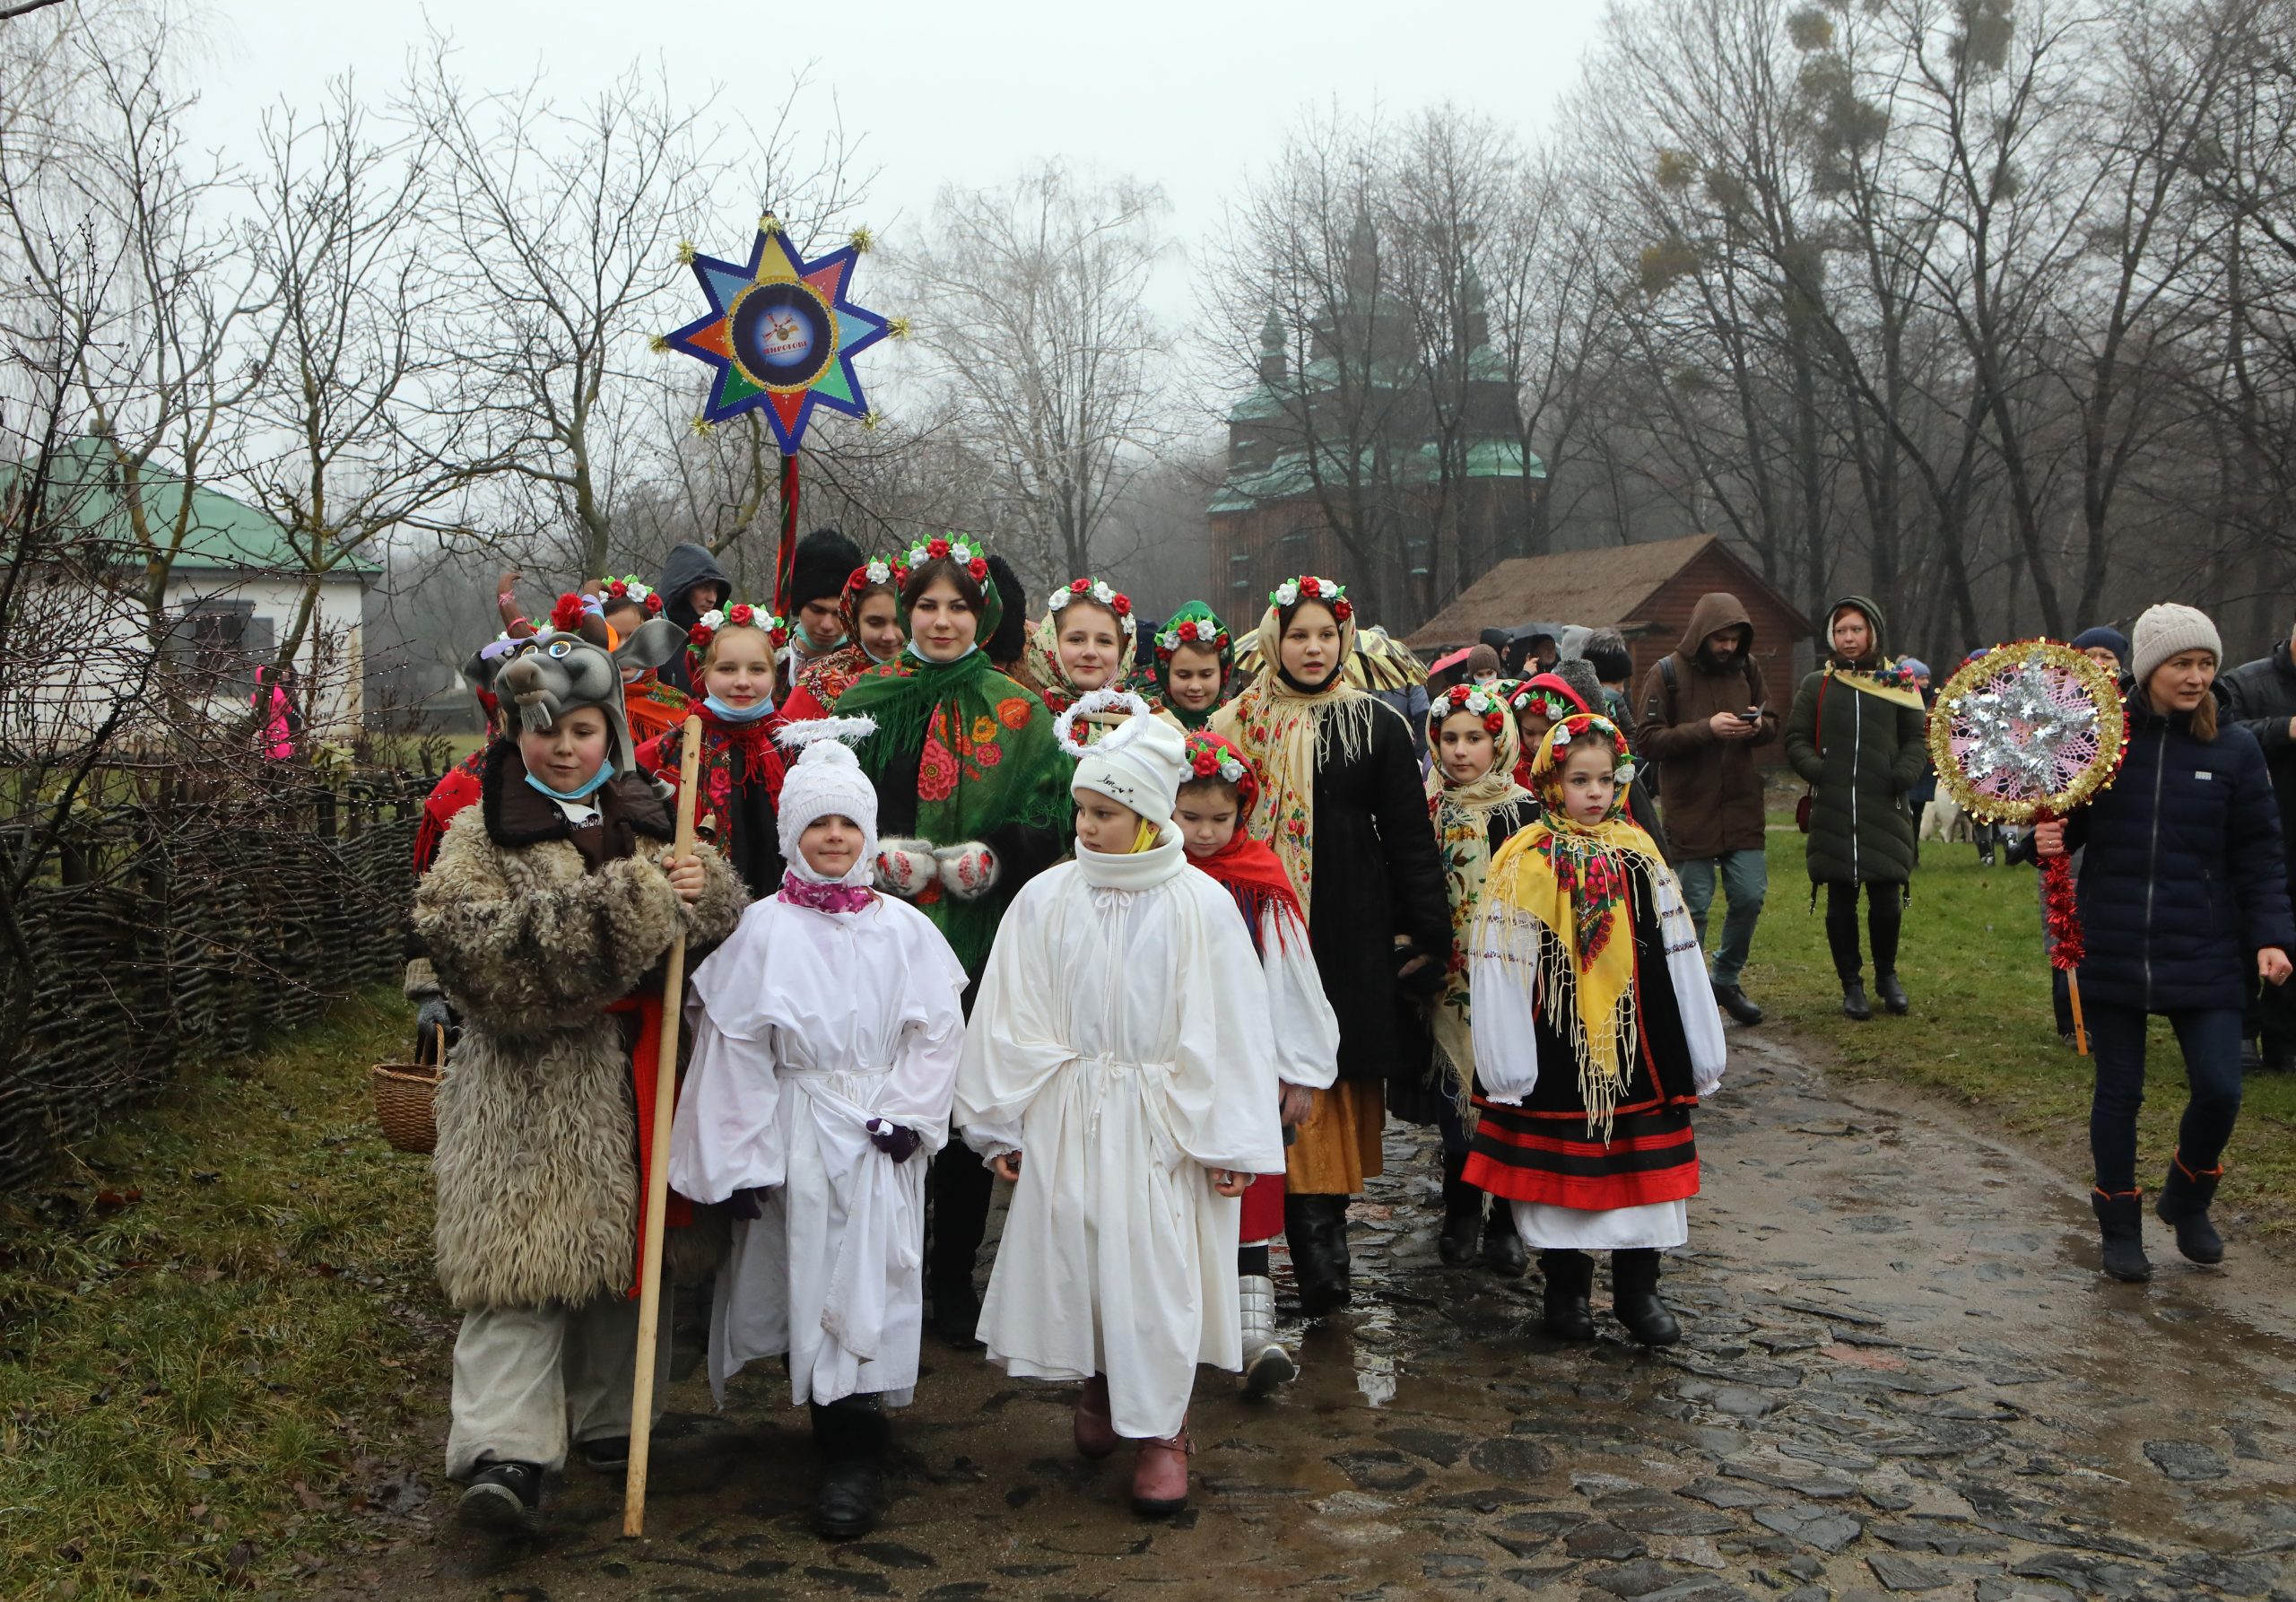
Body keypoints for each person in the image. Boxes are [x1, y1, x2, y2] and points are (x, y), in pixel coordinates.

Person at [413, 608, 746, 1536]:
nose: (563, 748)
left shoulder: (649, 816)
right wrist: (632, 902)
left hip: (639, 1073)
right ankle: (505, 1451)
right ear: (516, 732)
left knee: (625, 1269)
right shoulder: (481, 833)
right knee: (520, 1270)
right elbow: (477, 956)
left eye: (583, 730)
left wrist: (706, 891)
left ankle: (611, 1420)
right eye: (545, 729)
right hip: (528, 1088)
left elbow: (718, 925)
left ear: (613, 731)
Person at [956, 713, 1283, 1517]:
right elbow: (1010, 1008)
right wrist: (1004, 1121)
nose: (1087, 828)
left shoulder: (1197, 905)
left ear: (1146, 817)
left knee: (1156, 1269)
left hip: (1161, 1119)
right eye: (1082, 813)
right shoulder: (1047, 898)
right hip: (1071, 1110)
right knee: (1083, 1250)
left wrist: (1228, 1135)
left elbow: (1233, 1022)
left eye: (1105, 814)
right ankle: (1103, 1383)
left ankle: (1164, 1427)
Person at [669, 719, 969, 1538]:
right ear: (792, 833)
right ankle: (832, 1421)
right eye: (818, 824)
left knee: (874, 1273)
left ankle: (857, 1439)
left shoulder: (906, 930)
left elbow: (938, 1033)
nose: (834, 838)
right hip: (800, 1129)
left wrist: (909, 1112)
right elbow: (735, 1052)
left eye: (848, 825)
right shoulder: (761, 931)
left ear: (868, 833)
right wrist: (735, 1162)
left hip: (879, 1135)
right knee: (814, 1274)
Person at [836, 535, 1072, 1347]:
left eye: (958, 607)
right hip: (882, 936)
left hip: (981, 933)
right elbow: (826, 805)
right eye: (927, 606)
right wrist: (876, 851)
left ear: (984, 615)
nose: (941, 621)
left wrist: (997, 854)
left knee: (967, 1103)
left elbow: (1055, 808)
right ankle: (884, 1267)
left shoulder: (1020, 710)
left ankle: (952, 1280)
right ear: (905, 612)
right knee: (889, 1097)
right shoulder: (866, 701)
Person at [1212, 574, 1450, 1314]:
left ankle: (1322, 1253)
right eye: (1296, 634)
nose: (1311, 648)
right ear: (1271, 640)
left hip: (1344, 929)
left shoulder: (1374, 725)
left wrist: (1427, 934)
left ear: (1344, 639)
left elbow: (1411, 839)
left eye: (1324, 634)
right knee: (1246, 1070)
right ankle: (1243, 1259)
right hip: (1246, 922)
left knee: (1327, 1082)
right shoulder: (1234, 725)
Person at [2035, 604, 2294, 1282]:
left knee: (2220, 1089)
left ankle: (2189, 1195)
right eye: (2182, 663)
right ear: (2149, 669)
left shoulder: (2234, 749)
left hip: (2204, 947)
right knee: (2120, 1092)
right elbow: (2065, 829)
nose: (2197, 676)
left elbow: (2261, 855)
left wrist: (2271, 937)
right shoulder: (2101, 742)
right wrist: (2046, 840)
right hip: (2114, 943)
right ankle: (2119, 1223)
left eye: (2206, 664)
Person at [1465, 713, 1726, 1346]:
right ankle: (1567, 1294)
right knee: (1564, 1177)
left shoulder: (1639, 851)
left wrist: (1701, 1043)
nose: (1595, 793)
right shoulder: (1524, 859)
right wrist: (1507, 1062)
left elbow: (1679, 945)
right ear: (1553, 782)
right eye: (1580, 779)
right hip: (1560, 1042)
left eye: (1606, 780)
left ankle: (1640, 1292)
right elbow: (1501, 963)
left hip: (1641, 1044)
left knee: (1643, 1176)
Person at [1171, 729, 1339, 1395]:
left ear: (1244, 812)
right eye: (1190, 819)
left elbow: (1291, 975)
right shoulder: (1148, 876)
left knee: (1242, 1184)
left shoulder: (1259, 880)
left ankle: (1251, 1327)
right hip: (1166, 1060)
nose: (1206, 834)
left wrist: (1297, 1068)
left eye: (1221, 819)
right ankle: (1177, 1327)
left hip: (1242, 1059)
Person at [1414, 683, 1538, 1277]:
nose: (1461, 751)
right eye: (1449, 738)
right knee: (1455, 1101)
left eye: (1475, 738)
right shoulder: (1428, 809)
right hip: (1450, 984)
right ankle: (1461, 1206)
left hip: (1514, 977)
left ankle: (1508, 1219)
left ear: (1500, 742)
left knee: (1510, 1096)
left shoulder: (1525, 811)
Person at [1635, 593, 1779, 1026]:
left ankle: (1726, 979)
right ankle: (1691, 992)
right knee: (1692, 906)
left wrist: (1756, 726)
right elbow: (1646, 739)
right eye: (1721, 639)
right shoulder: (1667, 673)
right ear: (1702, 634)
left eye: (1736, 639)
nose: (1729, 647)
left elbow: (1772, 721)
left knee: (1750, 896)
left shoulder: (1749, 669)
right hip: (1690, 809)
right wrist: (1707, 729)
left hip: (1741, 805)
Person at [1786, 596, 1927, 1021]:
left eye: (1856, 630)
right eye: (1841, 630)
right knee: (1839, 901)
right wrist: (1820, 770)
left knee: (1886, 899)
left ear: (1873, 633)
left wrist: (1902, 772)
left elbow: (1917, 739)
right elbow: (1795, 739)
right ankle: (1852, 985)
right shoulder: (1817, 684)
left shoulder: (1899, 682)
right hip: (1835, 809)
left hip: (1884, 805)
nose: (1849, 638)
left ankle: (1887, 977)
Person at [638, 601, 793, 901]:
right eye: (727, 669)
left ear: (776, 673)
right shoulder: (670, 751)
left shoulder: (791, 746)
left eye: (757, 669)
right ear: (702, 673)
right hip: (703, 916)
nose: (743, 681)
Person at [2214, 617, 2296, 1075]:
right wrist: (2285, 729)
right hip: (2252, 831)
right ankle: (2241, 1032)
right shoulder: (2245, 681)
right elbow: (2222, 731)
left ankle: (2285, 1041)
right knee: (2244, 935)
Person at [781, 555, 908, 721]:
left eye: (900, 622)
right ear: (853, 623)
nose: (889, 636)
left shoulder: (936, 677)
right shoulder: (818, 681)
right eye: (875, 623)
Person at [1025, 576, 1140, 717]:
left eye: (1104, 641)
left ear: (1122, 653)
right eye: (1076, 639)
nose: (1090, 652)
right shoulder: (1023, 725)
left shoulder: (1151, 725)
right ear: (1051, 646)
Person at [781, 527, 865, 687]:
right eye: (817, 610)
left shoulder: (862, 669)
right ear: (799, 606)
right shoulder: (768, 659)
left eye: (838, 613)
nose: (827, 625)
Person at [657, 542, 734, 694]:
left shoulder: (721, 639)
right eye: (705, 587)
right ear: (683, 588)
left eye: (716, 590)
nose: (712, 598)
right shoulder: (653, 638)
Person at [1152, 602, 1235, 731]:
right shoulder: (1147, 723)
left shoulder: (1240, 723)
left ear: (1223, 673)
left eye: (1206, 675)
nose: (1195, 686)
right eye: (1183, 676)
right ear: (1166, 674)